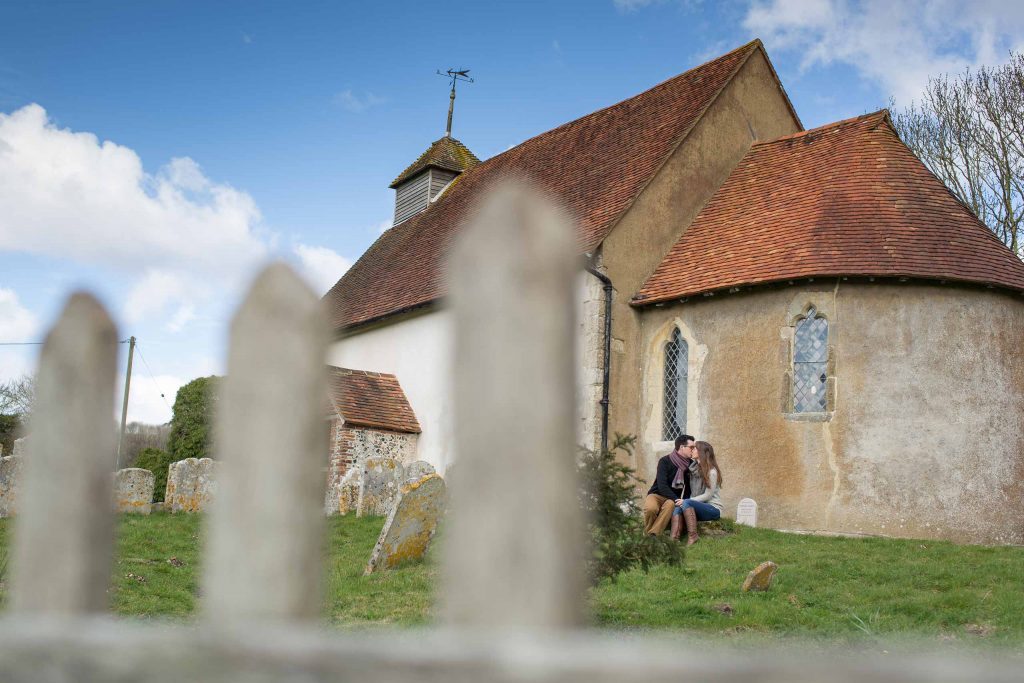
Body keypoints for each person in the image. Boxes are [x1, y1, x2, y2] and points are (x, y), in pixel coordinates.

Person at [643, 434, 694, 537]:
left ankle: (653, 535)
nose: (693, 450)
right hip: (656, 494)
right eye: (691, 447)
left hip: (671, 499)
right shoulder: (665, 461)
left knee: (670, 505)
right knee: (650, 508)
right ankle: (647, 533)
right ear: (682, 447)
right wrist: (676, 499)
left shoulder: (690, 464)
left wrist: (684, 502)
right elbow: (662, 485)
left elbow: (688, 488)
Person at [673, 440, 723, 546]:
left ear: (701, 452)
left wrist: (687, 501)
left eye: (694, 448)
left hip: (713, 509)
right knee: (678, 506)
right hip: (698, 507)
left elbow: (708, 495)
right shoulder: (693, 470)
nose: (692, 450)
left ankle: (693, 536)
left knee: (686, 502)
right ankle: (674, 539)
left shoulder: (712, 472)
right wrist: (685, 502)